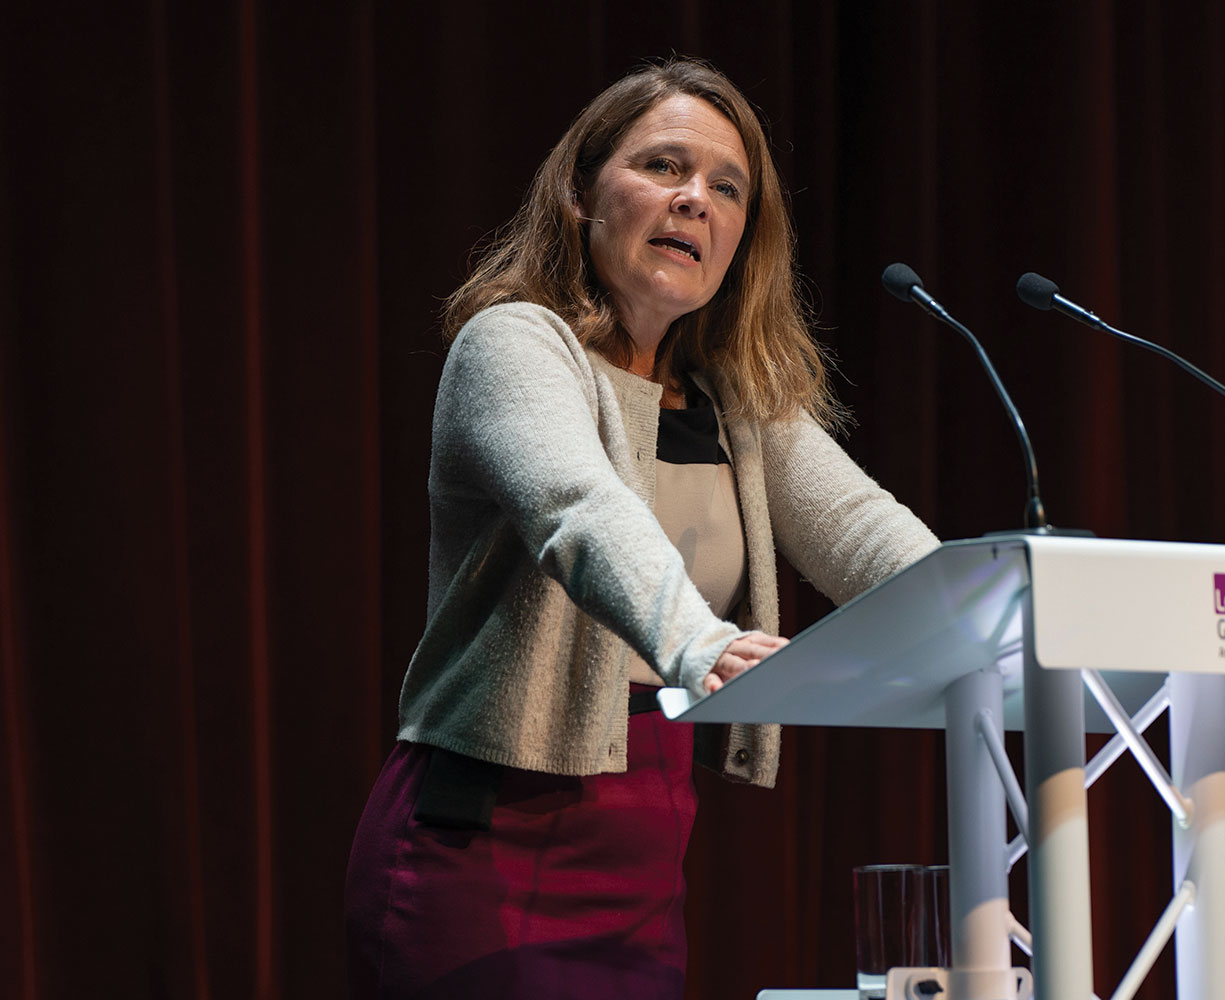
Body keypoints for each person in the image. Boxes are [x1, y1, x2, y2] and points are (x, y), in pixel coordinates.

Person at [344, 57, 940, 1000]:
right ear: (582, 195)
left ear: (746, 237)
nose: (695, 200)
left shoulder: (738, 404)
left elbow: (869, 533)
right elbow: (578, 508)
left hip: (644, 857)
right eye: (664, 166)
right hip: (483, 838)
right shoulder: (514, 343)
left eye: (727, 187)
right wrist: (697, 641)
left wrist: (1008, 614)